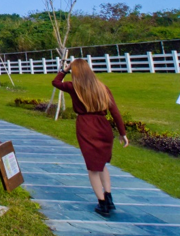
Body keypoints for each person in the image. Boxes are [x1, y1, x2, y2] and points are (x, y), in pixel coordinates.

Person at [53, 59, 129, 217]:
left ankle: (102, 203)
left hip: (87, 127)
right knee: (102, 164)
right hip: (104, 127)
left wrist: (65, 70)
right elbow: (115, 112)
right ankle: (109, 197)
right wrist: (122, 133)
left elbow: (55, 82)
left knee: (93, 168)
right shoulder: (102, 88)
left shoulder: (74, 87)